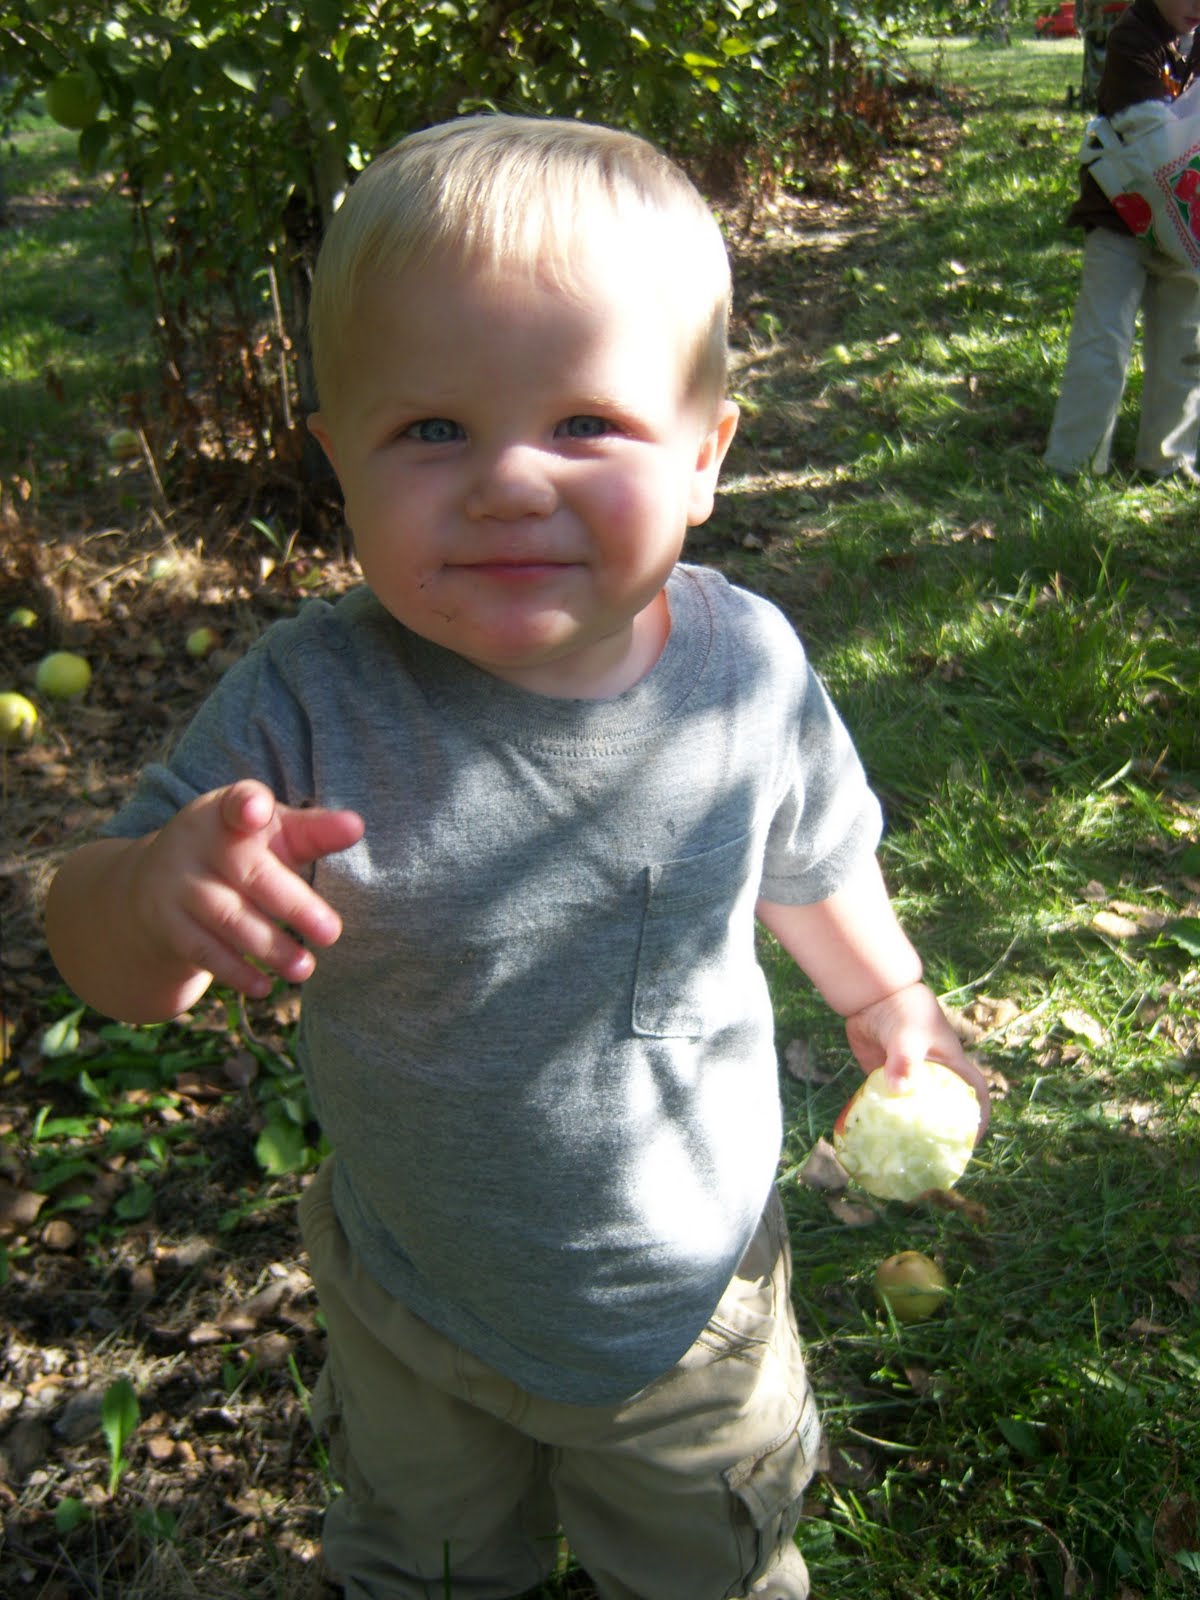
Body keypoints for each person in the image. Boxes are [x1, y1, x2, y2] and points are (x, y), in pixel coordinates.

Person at [44, 115, 988, 1600]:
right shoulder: (307, 706)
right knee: (426, 1562)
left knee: (702, 1570)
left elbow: (809, 854)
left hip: (687, 1304)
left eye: (586, 424)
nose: (506, 482)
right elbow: (95, 951)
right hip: (413, 1292)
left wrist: (886, 994)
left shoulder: (745, 671)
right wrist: (156, 892)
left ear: (705, 456)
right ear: (339, 460)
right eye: (432, 430)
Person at [1044, 0, 1200, 479]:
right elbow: (1152, 138)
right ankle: (1075, 462)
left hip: (1186, 224)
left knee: (1185, 343)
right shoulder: (1134, 38)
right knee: (1103, 337)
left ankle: (1168, 459)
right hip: (1122, 211)